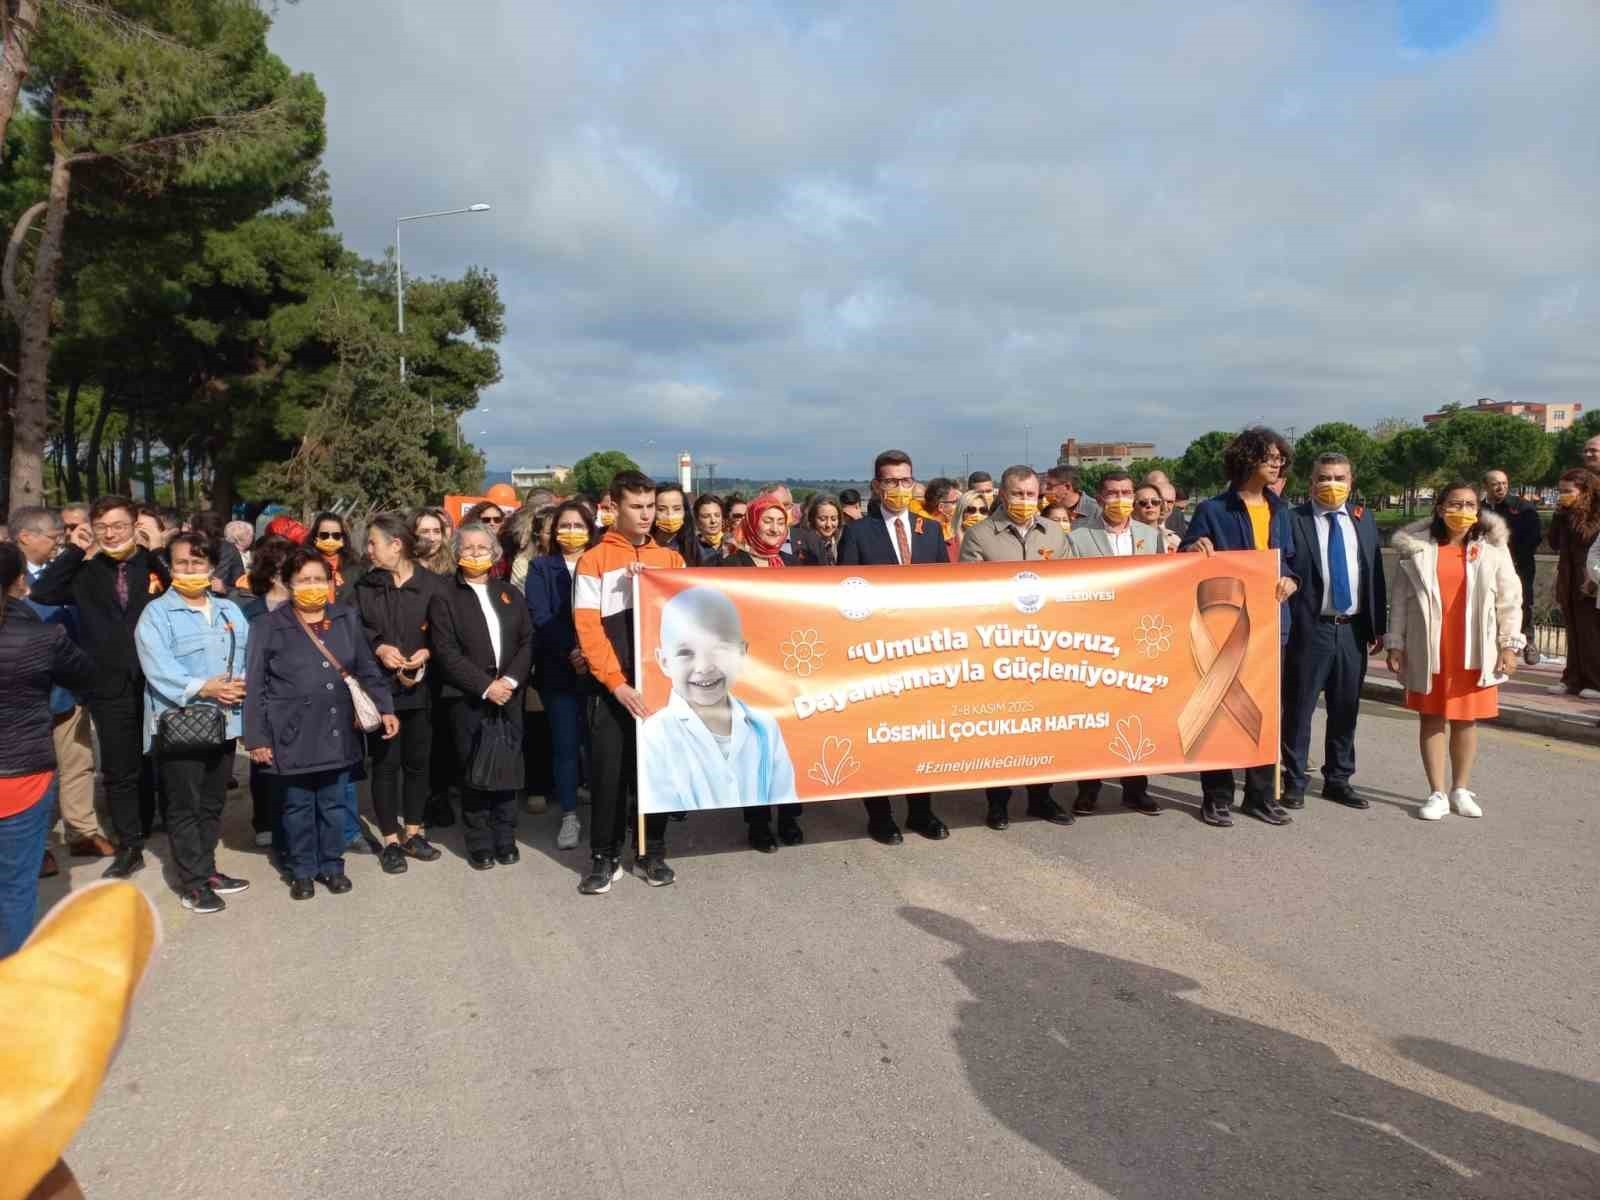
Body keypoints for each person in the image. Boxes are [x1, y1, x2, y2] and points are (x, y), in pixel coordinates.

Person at [243, 547, 397, 899]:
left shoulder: (345, 617)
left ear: (330, 583)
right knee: (297, 806)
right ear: (288, 583)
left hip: (337, 727)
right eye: (303, 580)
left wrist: (385, 707)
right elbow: (255, 685)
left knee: (333, 804)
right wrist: (257, 738)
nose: (312, 586)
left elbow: (365, 668)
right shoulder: (268, 625)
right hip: (290, 732)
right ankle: (302, 870)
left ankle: (332, 866)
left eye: (318, 579)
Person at [28, 496, 169, 878]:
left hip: (160, 682)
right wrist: (76, 547)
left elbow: (181, 591)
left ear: (135, 524)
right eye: (103, 526)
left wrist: (157, 550)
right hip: (109, 684)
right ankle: (131, 843)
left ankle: (169, 822)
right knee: (121, 768)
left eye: (119, 525)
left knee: (164, 760)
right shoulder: (87, 572)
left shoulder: (151, 565)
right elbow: (43, 593)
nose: (111, 533)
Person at [1180, 427, 1301, 829]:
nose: (1277, 463)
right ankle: (1216, 796)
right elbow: (1186, 561)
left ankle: (1260, 795)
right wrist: (1194, 549)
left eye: (1281, 457)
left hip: (1273, 624)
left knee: (1267, 711)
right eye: (1270, 456)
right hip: (1225, 625)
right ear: (1247, 459)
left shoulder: (1283, 511)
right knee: (1221, 708)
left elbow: (1294, 564)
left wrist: (1291, 580)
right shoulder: (1213, 510)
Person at [573, 470, 684, 893]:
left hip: (659, 690)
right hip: (612, 691)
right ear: (613, 508)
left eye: (650, 506)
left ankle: (652, 852)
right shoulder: (593, 560)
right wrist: (616, 684)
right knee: (608, 775)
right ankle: (604, 857)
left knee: (656, 774)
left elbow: (684, 621)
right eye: (636, 507)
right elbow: (588, 630)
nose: (646, 515)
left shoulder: (670, 560)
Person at [1386, 483, 1523, 820]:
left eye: (1469, 504)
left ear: (1478, 510)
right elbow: (1401, 600)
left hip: (1474, 646)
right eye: (1454, 503)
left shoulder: (1492, 548)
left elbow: (1509, 599)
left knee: (1465, 720)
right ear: (1439, 507)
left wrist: (1509, 645)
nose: (1461, 510)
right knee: (1431, 718)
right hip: (1428, 644)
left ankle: (1460, 788)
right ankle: (1436, 792)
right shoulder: (1418, 549)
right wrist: (1396, 643)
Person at [133, 532, 251, 914]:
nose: (189, 569)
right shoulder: (156, 614)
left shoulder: (229, 611)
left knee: (213, 802)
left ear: (211, 567)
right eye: (182, 562)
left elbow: (246, 655)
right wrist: (208, 688)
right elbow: (158, 670)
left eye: (197, 563)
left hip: (224, 723)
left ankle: (208, 869)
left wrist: (238, 687)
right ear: (170, 566)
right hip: (180, 724)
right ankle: (193, 883)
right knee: (184, 804)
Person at [839, 450, 952, 845]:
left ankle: (922, 811)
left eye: (905, 481)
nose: (899, 489)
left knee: (921, 735)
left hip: (924, 651)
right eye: (890, 482)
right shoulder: (857, 532)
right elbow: (847, 595)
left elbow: (945, 592)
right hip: (876, 653)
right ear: (876, 486)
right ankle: (880, 815)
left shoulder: (931, 530)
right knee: (879, 737)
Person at [959, 465, 1079, 830]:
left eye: (1031, 495)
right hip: (998, 649)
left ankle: (1042, 797)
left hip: (1045, 648)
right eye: (1017, 494)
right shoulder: (979, 536)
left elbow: (1071, 586)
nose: (1025, 502)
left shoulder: (1056, 534)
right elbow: (970, 594)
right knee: (1000, 729)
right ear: (1002, 495)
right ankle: (998, 802)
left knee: (1043, 726)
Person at [1278, 454, 1387, 812]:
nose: (1331, 484)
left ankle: (1338, 779)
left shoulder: (1363, 519)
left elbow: (1374, 572)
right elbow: (1281, 564)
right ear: (1311, 483)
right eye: (1324, 477)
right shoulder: (1293, 520)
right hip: (1311, 630)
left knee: (1345, 709)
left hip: (1352, 630)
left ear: (1351, 482)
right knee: (1300, 709)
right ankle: (1293, 780)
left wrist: (1378, 628)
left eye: (1339, 477)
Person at [639, 586, 799, 828]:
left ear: (743, 653)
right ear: (663, 661)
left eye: (719, 649)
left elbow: (782, 789)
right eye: (685, 653)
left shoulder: (764, 725)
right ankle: (653, 846)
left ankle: (772, 826)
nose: (704, 666)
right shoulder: (655, 734)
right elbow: (659, 796)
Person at [0, 543, 93, 956]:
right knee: (16, 886)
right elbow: (84, 672)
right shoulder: (42, 635)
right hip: (23, 776)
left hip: (22, 773)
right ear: (20, 581)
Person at [429, 522, 533, 870]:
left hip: (510, 695)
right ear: (457, 553)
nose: (475, 554)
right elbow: (445, 652)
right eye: (468, 548)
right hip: (469, 697)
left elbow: (526, 641)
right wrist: (487, 686)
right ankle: (479, 841)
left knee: (507, 768)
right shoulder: (444, 596)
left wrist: (511, 682)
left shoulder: (509, 593)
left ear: (495, 553)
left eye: (483, 548)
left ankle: (506, 837)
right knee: (474, 770)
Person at [13, 508, 109, 863]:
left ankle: (82, 830)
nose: (59, 543)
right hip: (23, 691)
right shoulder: (10, 574)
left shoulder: (72, 570)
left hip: (68, 686)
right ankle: (36, 847)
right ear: (25, 536)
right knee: (32, 773)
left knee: (78, 761)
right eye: (54, 537)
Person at [1068, 470, 1166, 817]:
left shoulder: (1149, 535)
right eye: (1113, 493)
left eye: (1126, 492)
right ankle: (1088, 789)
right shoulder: (1079, 538)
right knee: (1095, 718)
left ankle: (1135, 789)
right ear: (1100, 497)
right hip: (1095, 639)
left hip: (1138, 640)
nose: (1121, 500)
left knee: (1138, 715)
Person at [715, 496, 807, 849]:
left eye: (779, 522)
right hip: (748, 670)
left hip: (786, 669)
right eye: (766, 520)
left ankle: (789, 817)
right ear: (752, 522)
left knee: (788, 742)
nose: (773, 528)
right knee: (753, 745)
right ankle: (757, 821)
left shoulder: (789, 564)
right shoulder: (730, 565)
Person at [354, 514, 443, 874]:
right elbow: (355, 628)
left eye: (374, 542)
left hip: (422, 688)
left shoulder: (434, 585)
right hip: (381, 689)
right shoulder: (365, 586)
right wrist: (378, 647)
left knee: (418, 763)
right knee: (386, 765)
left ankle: (414, 832)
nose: (369, 550)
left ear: (396, 545)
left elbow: (447, 630)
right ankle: (390, 839)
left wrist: (429, 650)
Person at [527, 501, 596, 851]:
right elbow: (541, 616)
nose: (571, 533)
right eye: (564, 526)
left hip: (601, 668)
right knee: (566, 745)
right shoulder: (541, 568)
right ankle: (569, 814)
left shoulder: (602, 562)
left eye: (578, 525)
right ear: (554, 532)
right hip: (559, 667)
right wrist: (571, 650)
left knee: (599, 745)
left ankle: (605, 809)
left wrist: (593, 652)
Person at [238, 534, 294, 856]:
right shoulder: (249, 612)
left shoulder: (304, 607)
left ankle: (291, 819)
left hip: (294, 695)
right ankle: (264, 822)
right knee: (262, 762)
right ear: (273, 573)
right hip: (262, 695)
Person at [1547, 468, 1600, 698]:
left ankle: (1594, 681)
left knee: (1591, 632)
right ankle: (1571, 678)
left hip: (1590, 579)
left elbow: (1586, 538)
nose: (1563, 495)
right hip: (1568, 578)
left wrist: (1575, 512)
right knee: (1573, 631)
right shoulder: (1564, 513)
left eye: (1568, 491)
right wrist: (1559, 515)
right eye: (1560, 491)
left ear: (1584, 491)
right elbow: (1554, 543)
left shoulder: (1595, 513)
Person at [1481, 470, 1542, 667]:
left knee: (1524, 601)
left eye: (1504, 483)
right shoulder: (1478, 509)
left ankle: (1528, 640)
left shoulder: (1522, 507)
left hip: (1519, 564)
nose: (1501, 488)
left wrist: (1514, 559)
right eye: (1495, 484)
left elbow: (1533, 537)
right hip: (1487, 564)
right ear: (1485, 486)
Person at [651, 484, 706, 566]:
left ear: (685, 512)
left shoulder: (695, 549)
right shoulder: (643, 546)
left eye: (676, 509)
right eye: (661, 509)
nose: (670, 515)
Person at [1132, 483, 1182, 552]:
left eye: (1155, 501)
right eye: (1143, 502)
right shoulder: (1126, 538)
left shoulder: (1174, 539)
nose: (1150, 505)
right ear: (1133, 507)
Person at [411, 507, 455, 577]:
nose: (432, 538)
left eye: (436, 531)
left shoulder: (453, 569)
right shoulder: (401, 567)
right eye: (425, 532)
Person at [1143, 470, 1189, 536]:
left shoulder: (1177, 515)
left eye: (1170, 502)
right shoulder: (1132, 517)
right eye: (1154, 488)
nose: (1164, 506)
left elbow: (1183, 542)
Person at [804, 494, 843, 566]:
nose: (828, 525)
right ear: (812, 519)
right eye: (823, 519)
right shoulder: (804, 547)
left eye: (833, 519)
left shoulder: (842, 542)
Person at [692, 493, 727, 561]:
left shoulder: (734, 547)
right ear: (697, 521)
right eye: (706, 516)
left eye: (717, 515)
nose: (713, 521)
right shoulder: (690, 550)